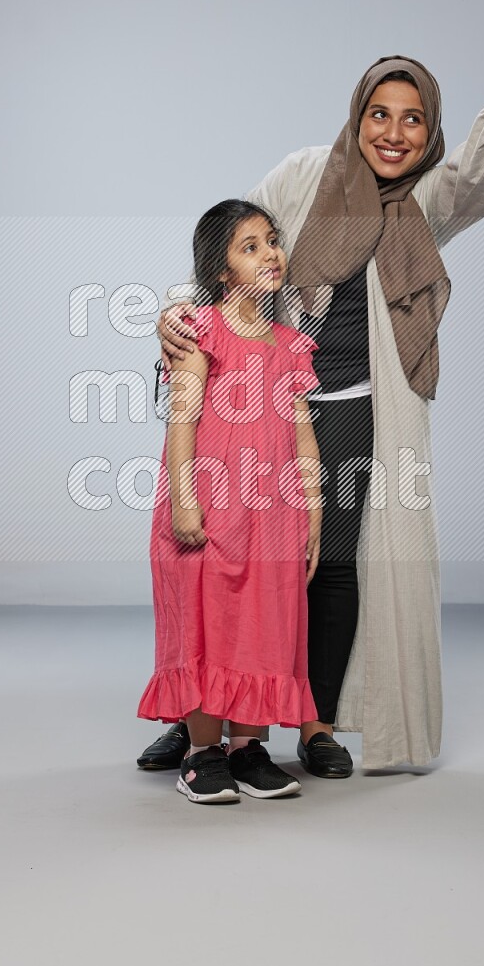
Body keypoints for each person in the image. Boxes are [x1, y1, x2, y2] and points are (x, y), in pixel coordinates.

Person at [139, 40, 484, 776]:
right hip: (255, 402)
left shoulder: (424, 201)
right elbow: (231, 244)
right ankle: (195, 718)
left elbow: (474, 178)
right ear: (357, 116)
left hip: (352, 407)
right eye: (379, 114)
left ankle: (316, 725)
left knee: (327, 565)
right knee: (219, 563)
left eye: (413, 119)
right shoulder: (304, 175)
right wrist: (175, 312)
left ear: (430, 131)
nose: (393, 134)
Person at [137, 199, 323, 802]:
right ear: (221, 270)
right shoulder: (203, 333)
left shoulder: (291, 345)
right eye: (250, 247)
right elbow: (182, 420)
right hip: (210, 507)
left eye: (272, 241)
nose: (270, 254)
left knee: (262, 624)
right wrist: (184, 501)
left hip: (274, 515)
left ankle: (246, 747)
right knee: (206, 621)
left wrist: (314, 514)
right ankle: (201, 752)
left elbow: (302, 435)